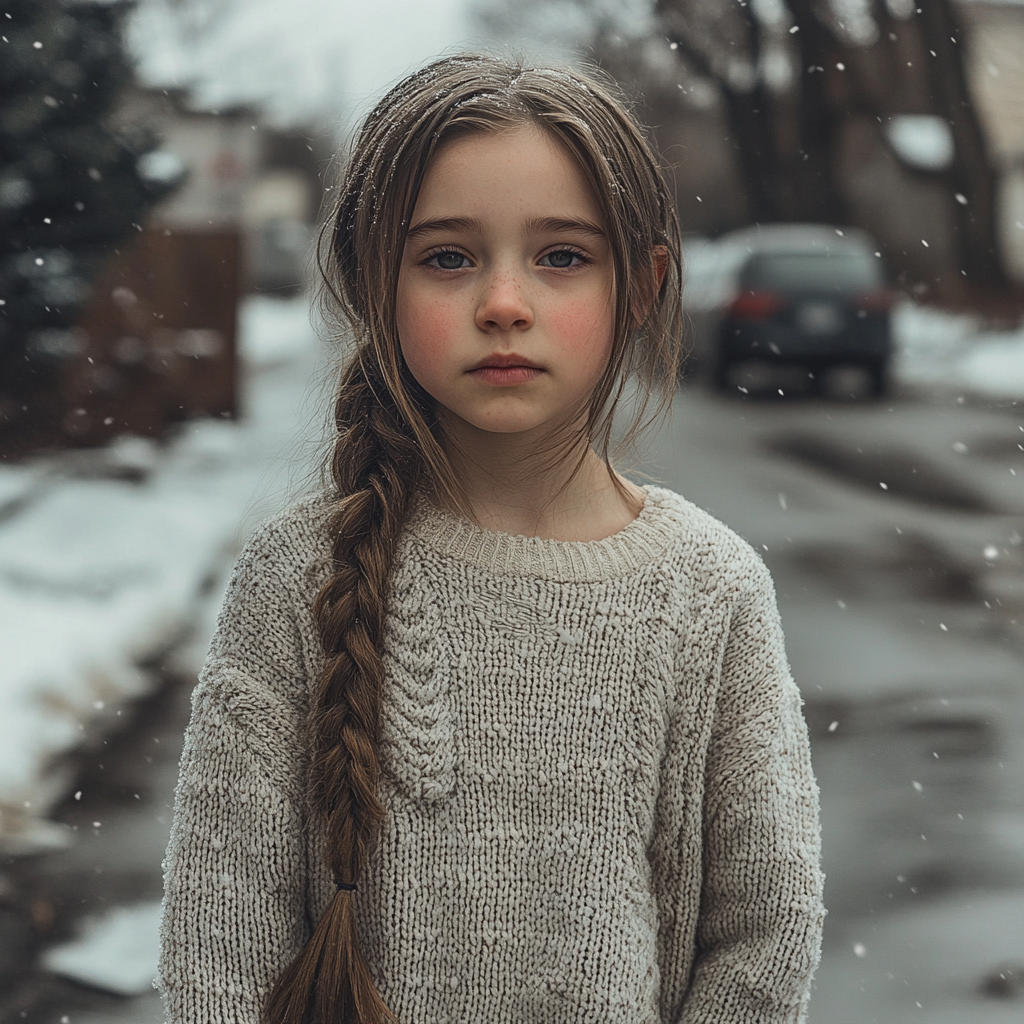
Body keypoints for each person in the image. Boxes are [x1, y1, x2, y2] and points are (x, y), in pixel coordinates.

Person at [157, 53, 825, 1024]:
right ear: (370, 282)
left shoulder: (708, 587)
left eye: (561, 256)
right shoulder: (296, 579)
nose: (503, 302)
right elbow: (221, 941)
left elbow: (764, 931)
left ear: (638, 288)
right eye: (446, 257)